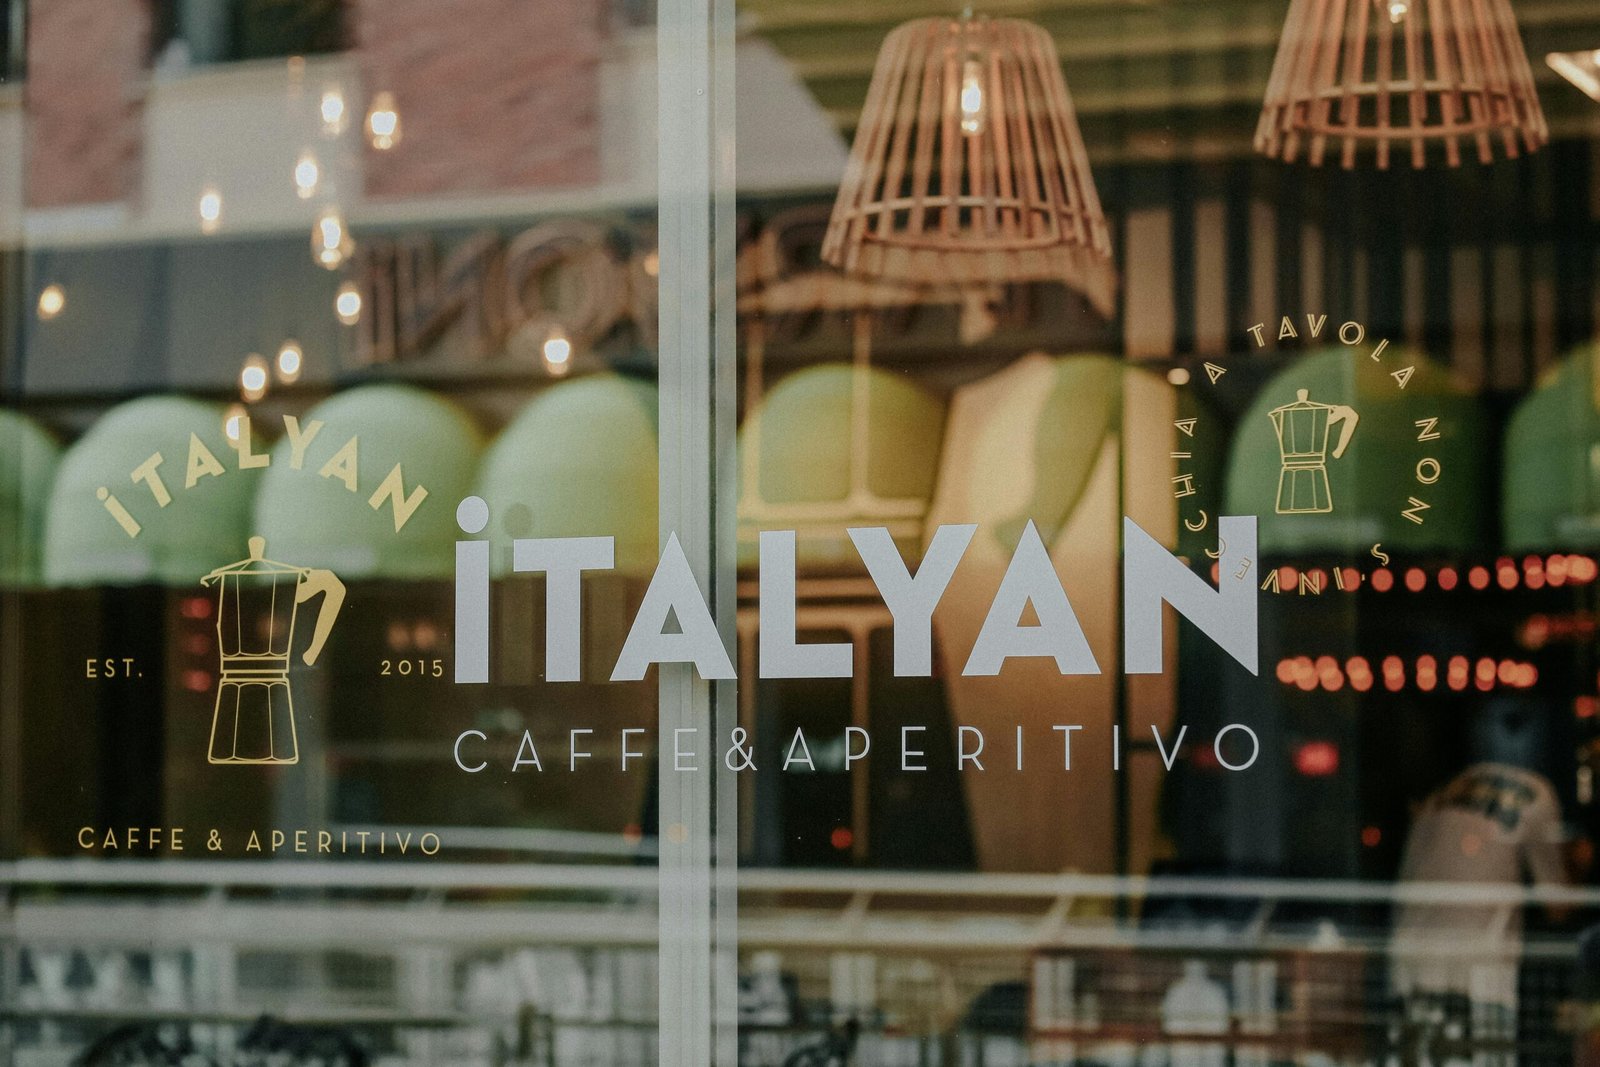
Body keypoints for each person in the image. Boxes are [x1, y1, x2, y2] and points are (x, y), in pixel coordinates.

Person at [1390, 698, 1573, 1067]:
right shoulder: (1537, 792)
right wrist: (1580, 863)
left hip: (1410, 965)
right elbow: (1560, 905)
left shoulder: (1442, 794)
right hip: (1479, 973)